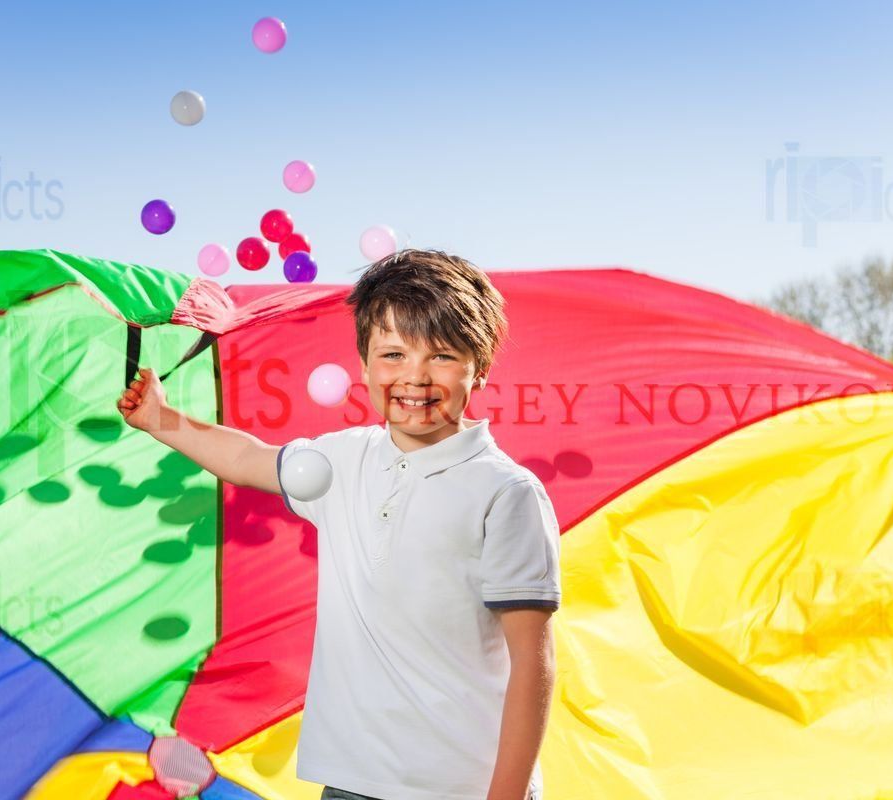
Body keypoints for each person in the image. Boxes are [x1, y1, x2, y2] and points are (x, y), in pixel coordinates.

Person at [117, 249, 560, 800]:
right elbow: (249, 458)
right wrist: (160, 418)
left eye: (442, 356)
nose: (414, 377)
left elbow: (533, 663)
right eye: (393, 354)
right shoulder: (342, 459)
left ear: (482, 367)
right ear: (365, 365)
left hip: (461, 787)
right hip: (350, 783)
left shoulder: (505, 492)